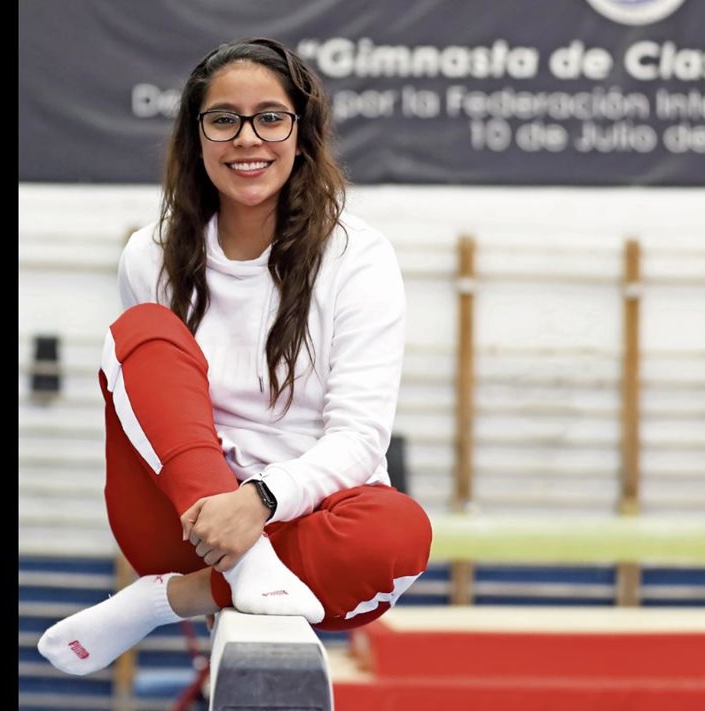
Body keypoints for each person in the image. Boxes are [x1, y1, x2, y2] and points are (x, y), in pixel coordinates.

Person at [37, 37, 433, 676]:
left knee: (400, 533)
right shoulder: (151, 254)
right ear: (197, 137)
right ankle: (245, 568)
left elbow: (360, 437)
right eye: (224, 120)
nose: (248, 138)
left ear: (302, 134)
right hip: (185, 523)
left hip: (305, 526)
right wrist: (224, 513)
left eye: (270, 118)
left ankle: (171, 599)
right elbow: (153, 407)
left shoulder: (358, 255)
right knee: (143, 330)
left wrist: (259, 502)